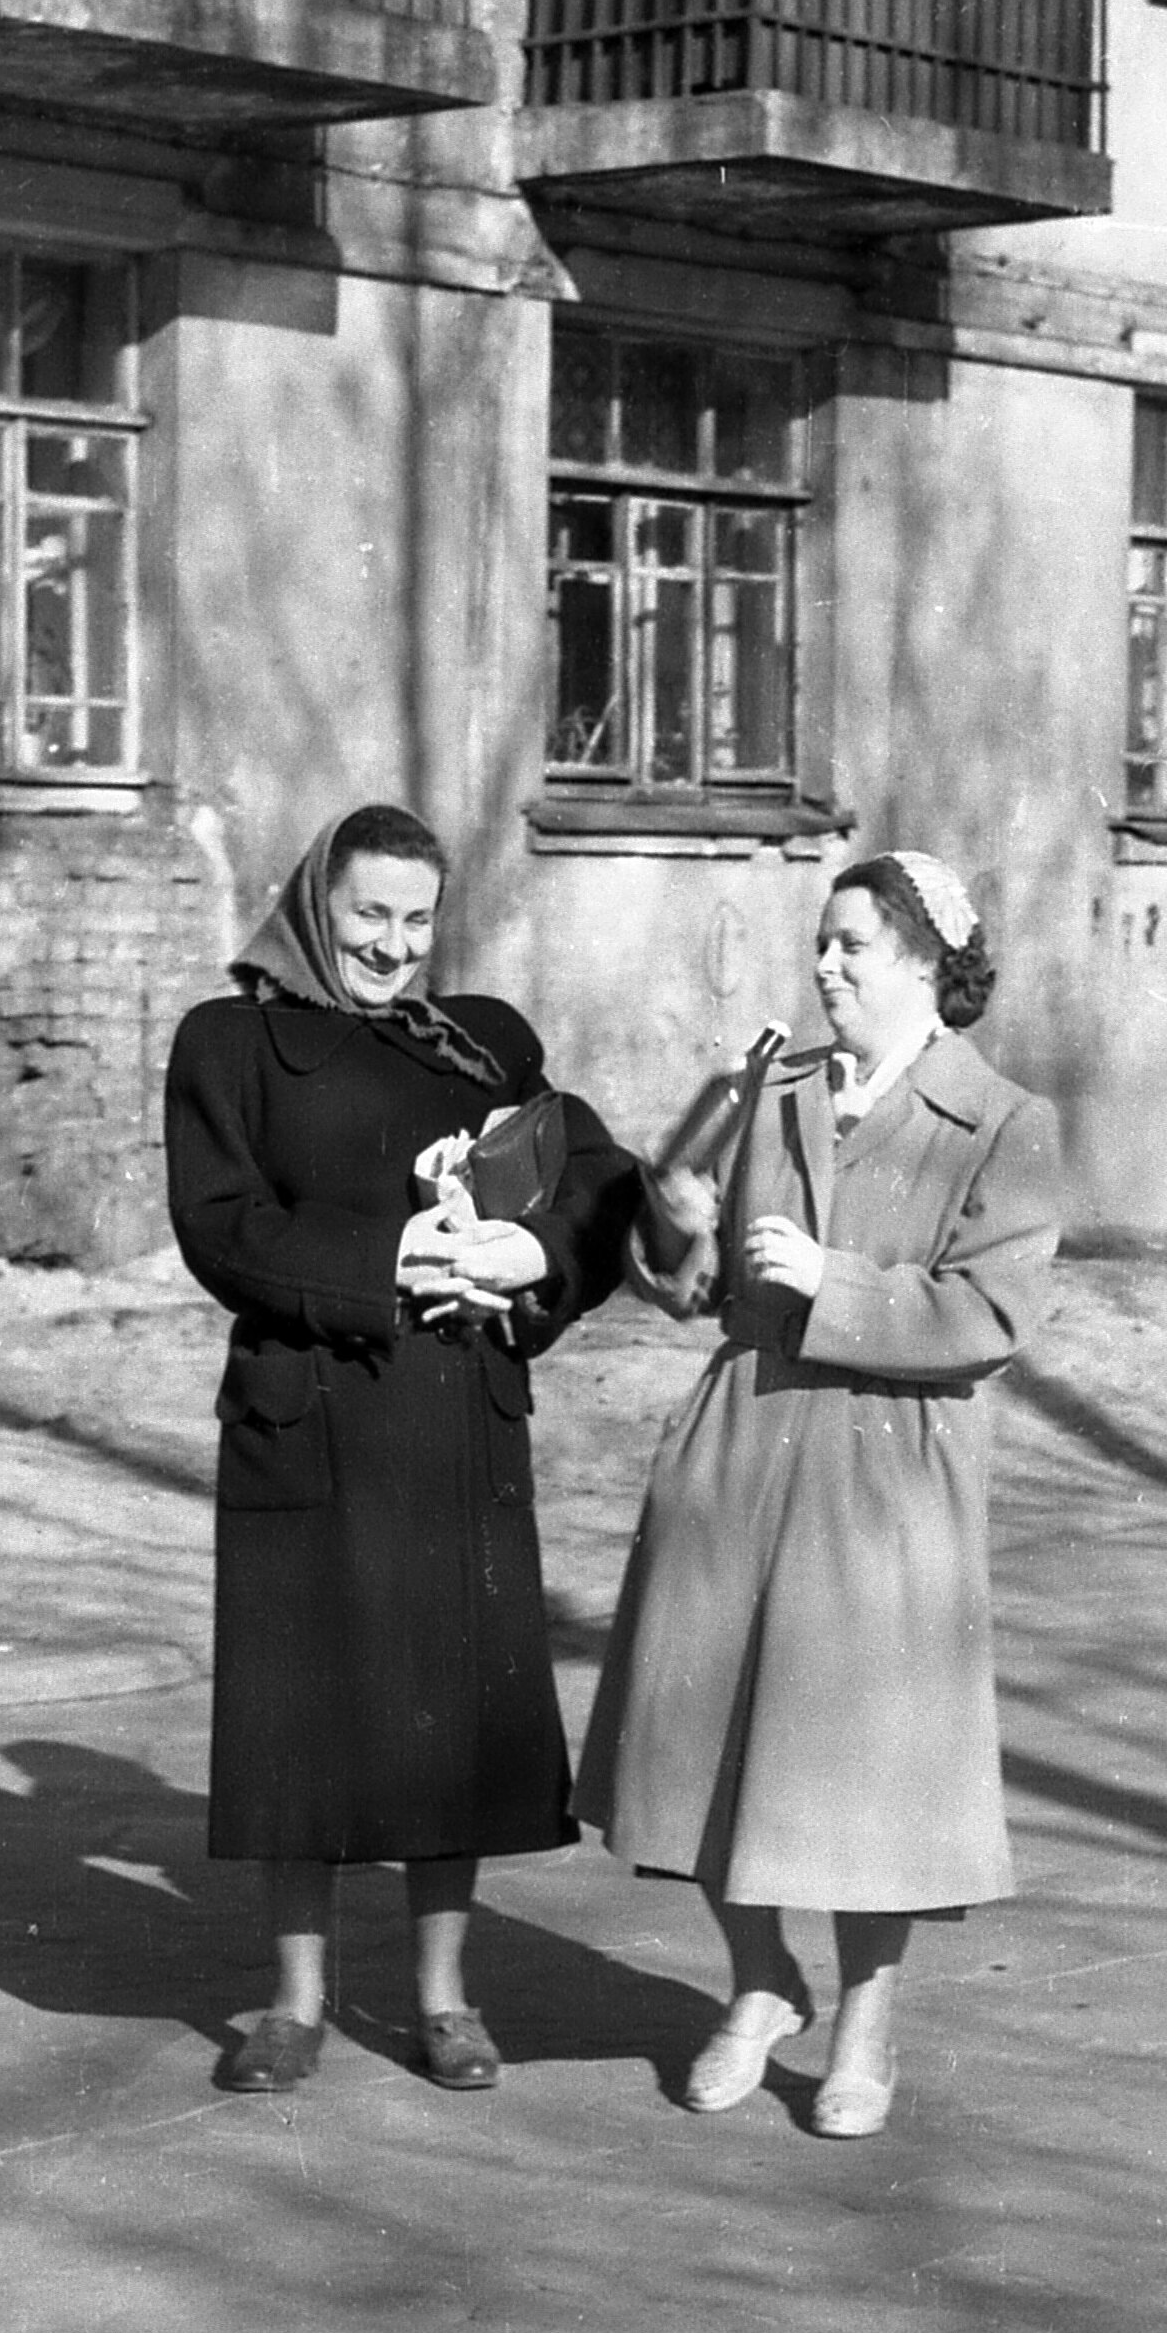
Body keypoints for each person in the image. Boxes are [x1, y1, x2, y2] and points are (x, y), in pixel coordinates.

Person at [574, 851, 1059, 2138]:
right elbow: (690, 1287)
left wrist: (831, 1279)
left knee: (866, 1763)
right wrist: (676, 1222)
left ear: (925, 963)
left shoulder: (1002, 1120)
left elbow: (995, 1311)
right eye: (822, 943)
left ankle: (865, 2025)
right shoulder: (770, 1088)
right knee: (695, 1730)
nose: (826, 966)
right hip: (742, 1432)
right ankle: (760, 1981)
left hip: (888, 1458)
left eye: (852, 944)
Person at [165, 804, 639, 2096]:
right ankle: (293, 2004)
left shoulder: (479, 1041)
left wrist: (528, 1251)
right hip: (309, 1417)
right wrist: (389, 1255)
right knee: (296, 1723)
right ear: (315, 905)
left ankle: (444, 1997)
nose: (393, 944)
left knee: (454, 1720)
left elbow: (596, 1173)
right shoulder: (229, 1042)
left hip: (450, 1414)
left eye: (417, 919)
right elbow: (221, 1226)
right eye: (369, 914)